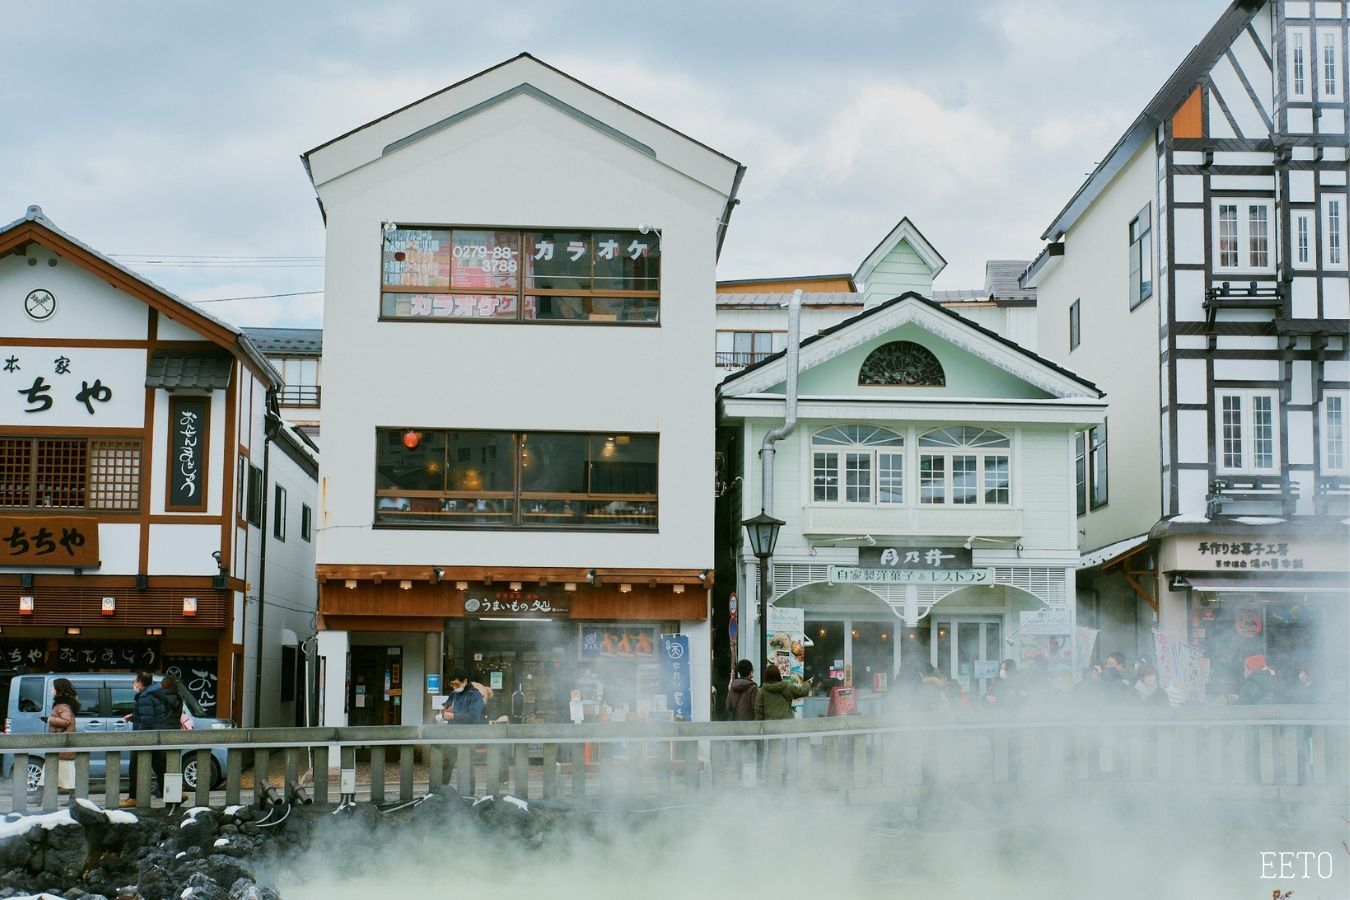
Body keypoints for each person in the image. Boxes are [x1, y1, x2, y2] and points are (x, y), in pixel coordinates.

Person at [121, 671, 169, 807]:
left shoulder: (145, 697)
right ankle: (176, 792)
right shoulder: (156, 693)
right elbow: (151, 714)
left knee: (134, 767)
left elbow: (147, 720)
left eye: (134, 681)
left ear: (140, 683)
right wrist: (134, 716)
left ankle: (133, 797)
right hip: (156, 736)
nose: (133, 684)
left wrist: (139, 737)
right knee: (160, 767)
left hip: (145, 738)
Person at [43, 678, 79, 796]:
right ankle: (38, 797)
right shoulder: (63, 703)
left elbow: (66, 722)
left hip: (61, 744)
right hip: (60, 744)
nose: (51, 690)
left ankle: (73, 798)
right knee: (48, 769)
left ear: (59, 690)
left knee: (65, 773)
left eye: (53, 687)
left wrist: (49, 719)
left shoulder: (62, 705)